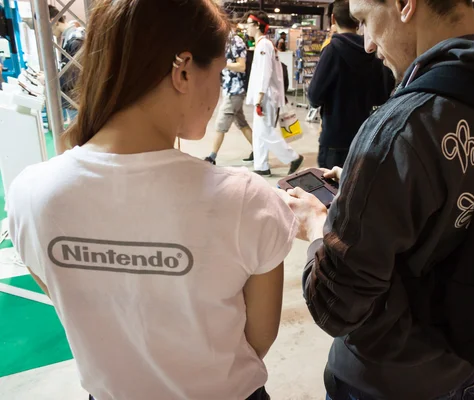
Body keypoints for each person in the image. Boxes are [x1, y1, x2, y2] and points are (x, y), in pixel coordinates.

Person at [278, 0, 474, 398]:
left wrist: (315, 227)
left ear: (404, 5)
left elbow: (338, 304)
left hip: (384, 381)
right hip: (465, 365)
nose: (368, 45)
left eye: (365, 21)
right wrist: (370, 191)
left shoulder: (404, 127)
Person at [7, 1, 297, 399]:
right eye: (215, 73)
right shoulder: (247, 201)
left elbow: (71, 305)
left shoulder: (28, 194)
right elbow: (256, 342)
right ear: (183, 71)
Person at [308, 0, 394, 170]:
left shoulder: (332, 50)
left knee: (330, 190)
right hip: (366, 135)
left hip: (335, 137)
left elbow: (314, 96)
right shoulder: (372, 50)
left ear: (333, 19)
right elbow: (383, 94)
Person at [245, 11, 304, 177]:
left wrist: (260, 96)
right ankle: (261, 165)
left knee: (264, 131)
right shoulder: (265, 44)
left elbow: (265, 72)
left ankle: (293, 157)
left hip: (267, 97)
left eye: (249, 24)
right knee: (259, 131)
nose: (247, 28)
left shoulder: (264, 45)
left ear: (257, 25)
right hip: (266, 95)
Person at [205, 30, 254, 165]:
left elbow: (241, 66)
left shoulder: (235, 41)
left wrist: (221, 63)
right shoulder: (225, 42)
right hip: (230, 88)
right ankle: (258, 150)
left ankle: (212, 157)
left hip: (235, 90)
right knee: (241, 123)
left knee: (221, 123)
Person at [48, 5, 85, 123]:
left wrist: (51, 79)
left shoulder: (75, 40)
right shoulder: (70, 38)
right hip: (73, 101)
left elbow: (75, 77)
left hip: (76, 101)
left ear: (52, 21)